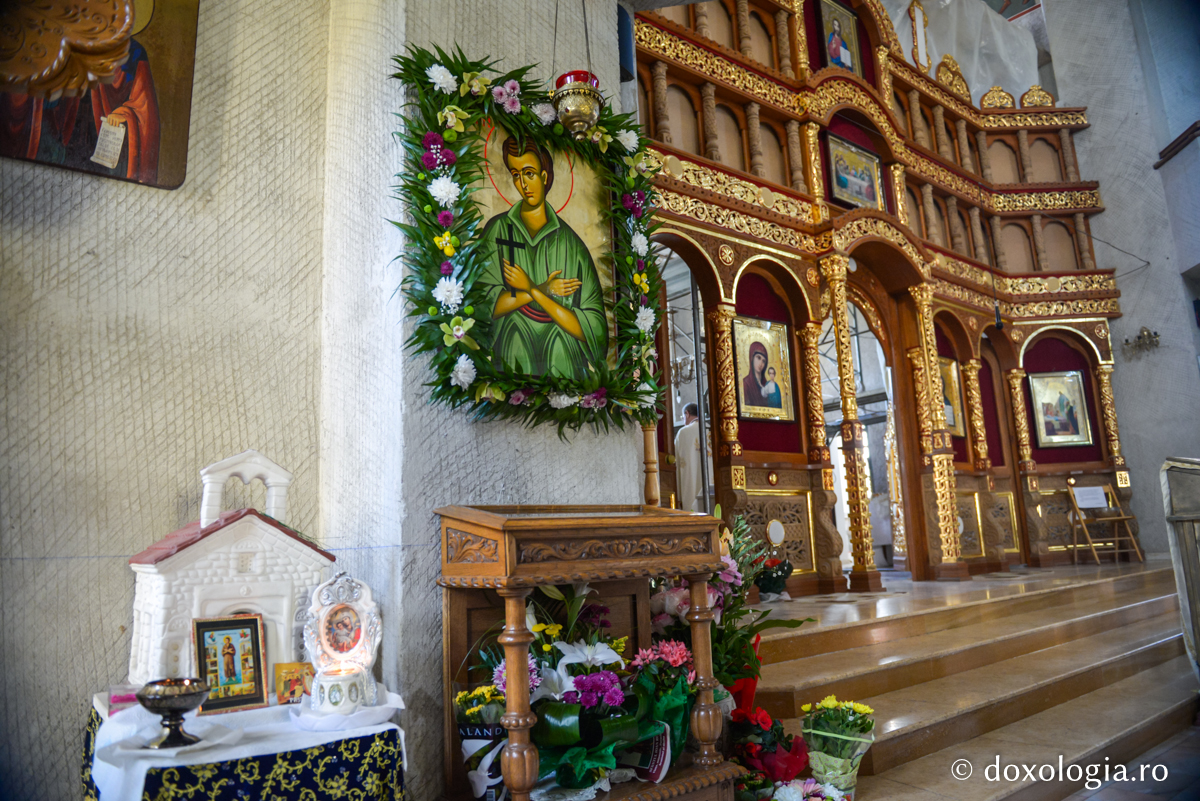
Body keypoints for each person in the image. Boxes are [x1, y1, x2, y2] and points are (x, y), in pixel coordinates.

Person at [478, 136, 608, 380]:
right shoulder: (498, 230)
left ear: (545, 177)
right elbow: (482, 307)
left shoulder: (573, 245)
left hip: (565, 364)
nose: (523, 184)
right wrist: (543, 289)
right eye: (515, 174)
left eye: (529, 173)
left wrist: (531, 289)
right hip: (512, 355)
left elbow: (596, 330)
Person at [674, 403, 702, 512]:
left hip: (690, 485)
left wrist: (678, 496)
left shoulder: (683, 432)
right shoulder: (711, 430)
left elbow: (676, 462)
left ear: (687, 414)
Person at [742, 341, 770, 407]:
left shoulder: (766, 384)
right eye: (758, 358)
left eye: (763, 361)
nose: (761, 364)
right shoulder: (746, 383)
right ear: (752, 358)